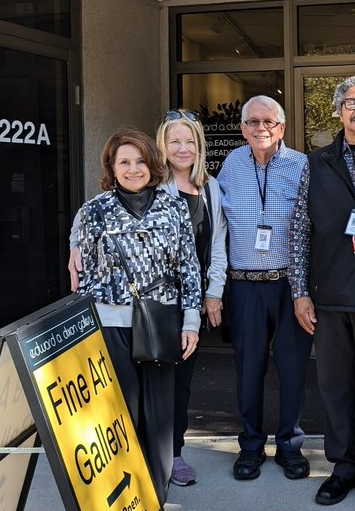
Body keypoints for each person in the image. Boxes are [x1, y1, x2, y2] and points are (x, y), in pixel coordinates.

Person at [69, 110, 228, 488]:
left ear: (151, 164)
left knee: (161, 408)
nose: (134, 168)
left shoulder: (174, 206)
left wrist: (192, 320)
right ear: (111, 166)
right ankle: (126, 482)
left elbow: (190, 267)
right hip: (112, 324)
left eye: (140, 161)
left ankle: (156, 486)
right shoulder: (94, 210)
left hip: (161, 318)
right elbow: (83, 273)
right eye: (124, 162)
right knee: (121, 405)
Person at [289, 75, 355, 511]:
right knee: (335, 385)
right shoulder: (314, 164)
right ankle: (344, 467)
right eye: (352, 102)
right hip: (328, 295)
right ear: (338, 111)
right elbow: (299, 231)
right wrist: (300, 291)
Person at [216, 95, 313, 481]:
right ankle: (251, 446)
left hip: (290, 285)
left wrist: (306, 289)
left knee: (292, 370)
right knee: (249, 370)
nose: (261, 128)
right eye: (253, 122)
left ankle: (290, 446)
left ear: (282, 128)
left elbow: (312, 227)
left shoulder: (302, 165)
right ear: (242, 128)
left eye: (269, 122)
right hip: (244, 288)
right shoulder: (231, 165)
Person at [155, 109, 228, 487]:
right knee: (152, 379)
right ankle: (149, 453)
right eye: (174, 141)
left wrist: (213, 293)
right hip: (153, 304)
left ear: (199, 146)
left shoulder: (211, 187)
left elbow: (217, 245)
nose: (182, 148)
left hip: (191, 304)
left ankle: (176, 453)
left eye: (189, 141)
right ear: (163, 145)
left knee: (181, 382)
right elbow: (97, 212)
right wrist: (74, 244)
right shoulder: (148, 184)